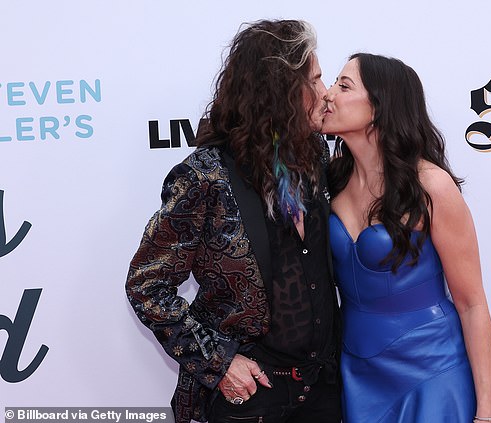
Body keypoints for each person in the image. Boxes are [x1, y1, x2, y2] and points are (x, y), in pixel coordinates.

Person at [126, 19, 341, 423]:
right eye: (315, 79)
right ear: (282, 91)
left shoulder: (314, 155)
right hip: (252, 397)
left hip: (324, 390)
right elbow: (146, 285)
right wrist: (219, 362)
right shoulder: (205, 177)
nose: (326, 91)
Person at [322, 53, 491, 423]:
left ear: (380, 105)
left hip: (432, 370)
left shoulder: (430, 186)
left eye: (344, 86)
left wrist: (486, 410)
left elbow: (472, 304)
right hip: (357, 373)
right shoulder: (330, 178)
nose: (329, 94)